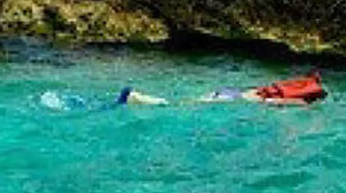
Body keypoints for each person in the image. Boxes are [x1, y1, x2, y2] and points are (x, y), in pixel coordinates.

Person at [119, 72, 327, 107]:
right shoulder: (300, 101)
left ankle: (137, 98)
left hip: (231, 91)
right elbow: (272, 103)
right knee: (179, 106)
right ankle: (136, 98)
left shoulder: (287, 87)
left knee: (186, 102)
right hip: (230, 99)